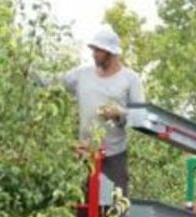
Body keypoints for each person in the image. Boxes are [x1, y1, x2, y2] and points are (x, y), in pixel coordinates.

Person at [61, 24, 145, 197]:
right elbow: (54, 82)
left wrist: (119, 114)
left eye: (98, 50)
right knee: (84, 212)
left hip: (113, 157)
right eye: (93, 49)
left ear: (111, 52)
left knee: (113, 212)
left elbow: (140, 116)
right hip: (85, 153)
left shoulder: (130, 79)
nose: (94, 54)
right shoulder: (82, 75)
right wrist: (28, 72)